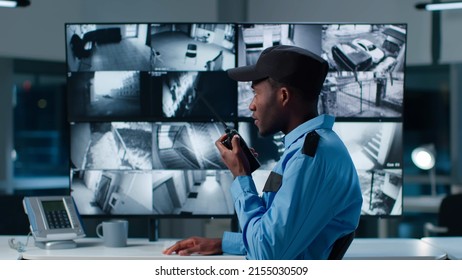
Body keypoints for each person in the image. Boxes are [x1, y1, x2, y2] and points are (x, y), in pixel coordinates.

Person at [163, 45, 363, 259]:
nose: (251, 105)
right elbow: (279, 234)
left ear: (283, 96)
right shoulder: (309, 148)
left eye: (256, 94)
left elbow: (266, 255)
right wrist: (222, 243)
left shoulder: (310, 158)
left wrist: (241, 176)